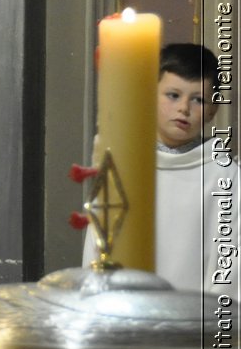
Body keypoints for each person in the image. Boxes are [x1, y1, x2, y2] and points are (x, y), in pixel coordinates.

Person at [83, 43, 234, 294]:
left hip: (194, 323)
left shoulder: (224, 176)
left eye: (198, 99)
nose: (184, 109)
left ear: (213, 111)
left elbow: (230, 263)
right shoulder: (122, 167)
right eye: (173, 95)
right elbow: (97, 248)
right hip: (124, 315)